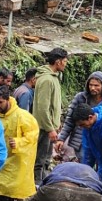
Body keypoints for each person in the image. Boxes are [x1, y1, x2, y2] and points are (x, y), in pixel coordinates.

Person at [0, 85, 39, 201]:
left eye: (1, 102)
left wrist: (19, 142)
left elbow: (32, 135)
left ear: (8, 100)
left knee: (10, 185)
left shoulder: (23, 116)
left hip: (15, 158)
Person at [31, 50, 67, 183]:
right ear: (58, 62)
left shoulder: (53, 77)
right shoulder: (46, 79)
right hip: (43, 128)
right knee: (41, 160)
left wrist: (56, 125)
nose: (65, 64)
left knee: (46, 159)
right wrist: (50, 128)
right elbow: (43, 107)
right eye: (64, 61)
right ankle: (37, 186)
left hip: (49, 126)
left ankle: (44, 184)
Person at [57, 72, 102, 161]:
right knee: (84, 166)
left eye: (96, 85)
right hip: (81, 141)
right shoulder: (80, 98)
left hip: (100, 140)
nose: (93, 88)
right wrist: (61, 138)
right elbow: (70, 119)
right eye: (91, 85)